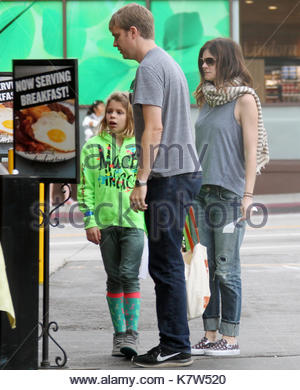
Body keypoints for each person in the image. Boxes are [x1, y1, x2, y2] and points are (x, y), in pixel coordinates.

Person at [109, 3, 202, 368]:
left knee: (164, 266)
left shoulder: (149, 68)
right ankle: (176, 342)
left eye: (117, 36)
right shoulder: (166, 62)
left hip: (168, 177)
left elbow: (155, 128)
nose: (115, 44)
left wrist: (141, 180)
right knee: (167, 264)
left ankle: (176, 344)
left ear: (133, 31)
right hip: (181, 173)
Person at [191, 38, 269, 356]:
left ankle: (230, 338)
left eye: (211, 61)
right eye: (202, 62)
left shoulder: (244, 100)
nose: (205, 66)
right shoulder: (206, 99)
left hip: (229, 196)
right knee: (206, 267)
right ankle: (210, 335)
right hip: (201, 194)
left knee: (226, 268)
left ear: (227, 62)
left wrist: (248, 194)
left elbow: (251, 151)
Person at [77, 92, 145, 358]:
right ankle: (119, 337)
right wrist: (89, 220)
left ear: (129, 115)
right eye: (110, 112)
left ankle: (133, 334)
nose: (113, 116)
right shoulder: (92, 147)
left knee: (129, 275)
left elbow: (148, 181)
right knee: (114, 279)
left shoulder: (139, 146)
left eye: (119, 112)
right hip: (104, 225)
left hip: (134, 222)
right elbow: (86, 187)